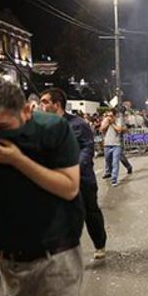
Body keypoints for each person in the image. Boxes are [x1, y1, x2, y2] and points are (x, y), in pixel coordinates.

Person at [0, 74, 84, 296]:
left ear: (27, 111)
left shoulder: (53, 129)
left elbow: (69, 187)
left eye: (1, 128)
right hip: (9, 260)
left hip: (56, 255)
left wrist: (16, 160)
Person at [40, 88, 107, 260]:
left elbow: (87, 148)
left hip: (81, 179)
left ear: (57, 104)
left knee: (90, 213)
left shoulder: (77, 124)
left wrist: (74, 167)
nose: (41, 105)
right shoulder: (43, 125)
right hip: (56, 181)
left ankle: (99, 244)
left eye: (45, 102)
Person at [100, 108, 128, 187]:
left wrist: (112, 123)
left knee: (115, 162)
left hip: (116, 144)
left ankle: (114, 179)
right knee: (108, 162)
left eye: (111, 115)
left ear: (114, 115)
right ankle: (109, 173)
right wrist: (107, 123)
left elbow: (119, 130)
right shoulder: (105, 120)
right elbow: (101, 129)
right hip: (107, 144)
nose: (109, 117)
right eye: (108, 115)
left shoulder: (118, 120)